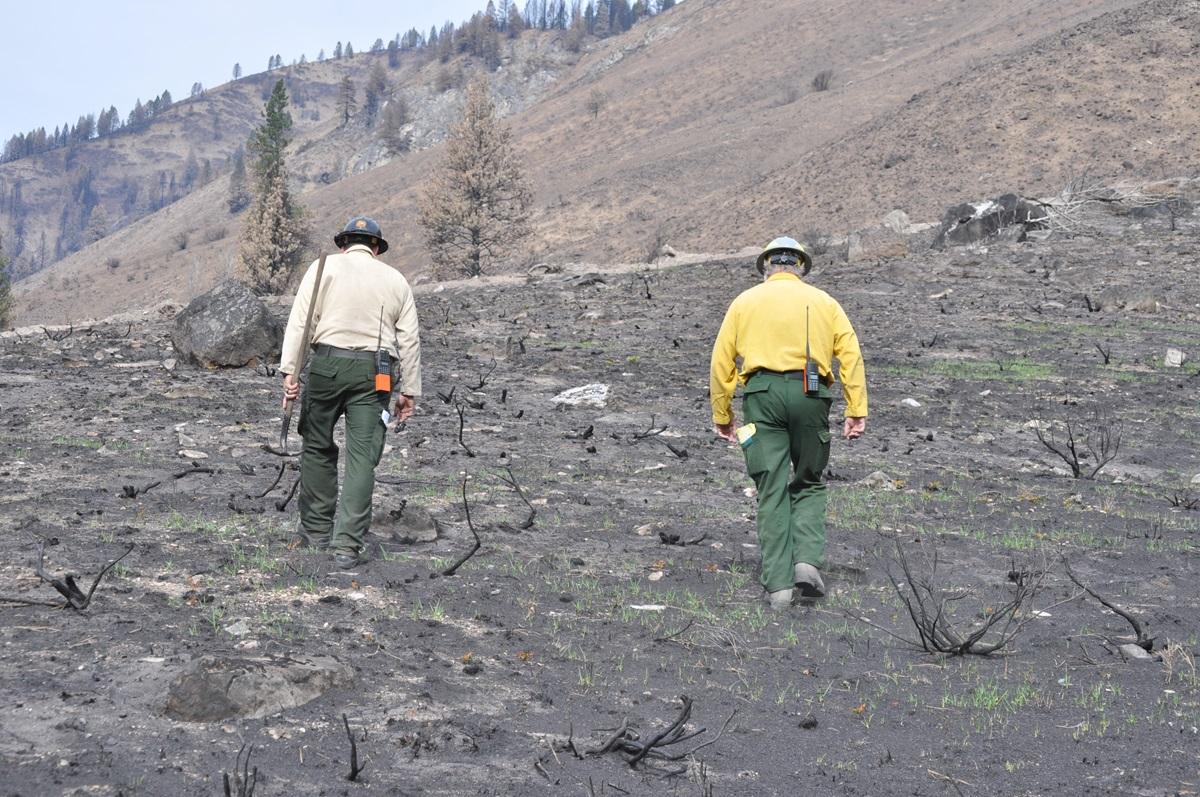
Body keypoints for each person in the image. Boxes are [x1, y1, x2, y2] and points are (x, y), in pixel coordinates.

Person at [709, 236, 867, 609]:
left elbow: (721, 363)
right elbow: (851, 355)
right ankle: (806, 563)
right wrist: (855, 408)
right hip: (812, 395)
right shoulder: (825, 302)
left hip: (761, 397)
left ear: (766, 267)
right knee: (809, 480)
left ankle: (779, 586)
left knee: (771, 486)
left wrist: (723, 414)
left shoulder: (744, 302)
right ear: (800, 266)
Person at [280, 217, 422, 569]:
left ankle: (315, 530)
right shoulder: (395, 279)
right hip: (377, 373)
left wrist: (290, 373)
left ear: (344, 244)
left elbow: (301, 322)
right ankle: (346, 545)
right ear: (376, 248)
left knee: (316, 445)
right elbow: (410, 339)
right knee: (362, 458)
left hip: (327, 364)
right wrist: (409, 391)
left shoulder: (322, 267)